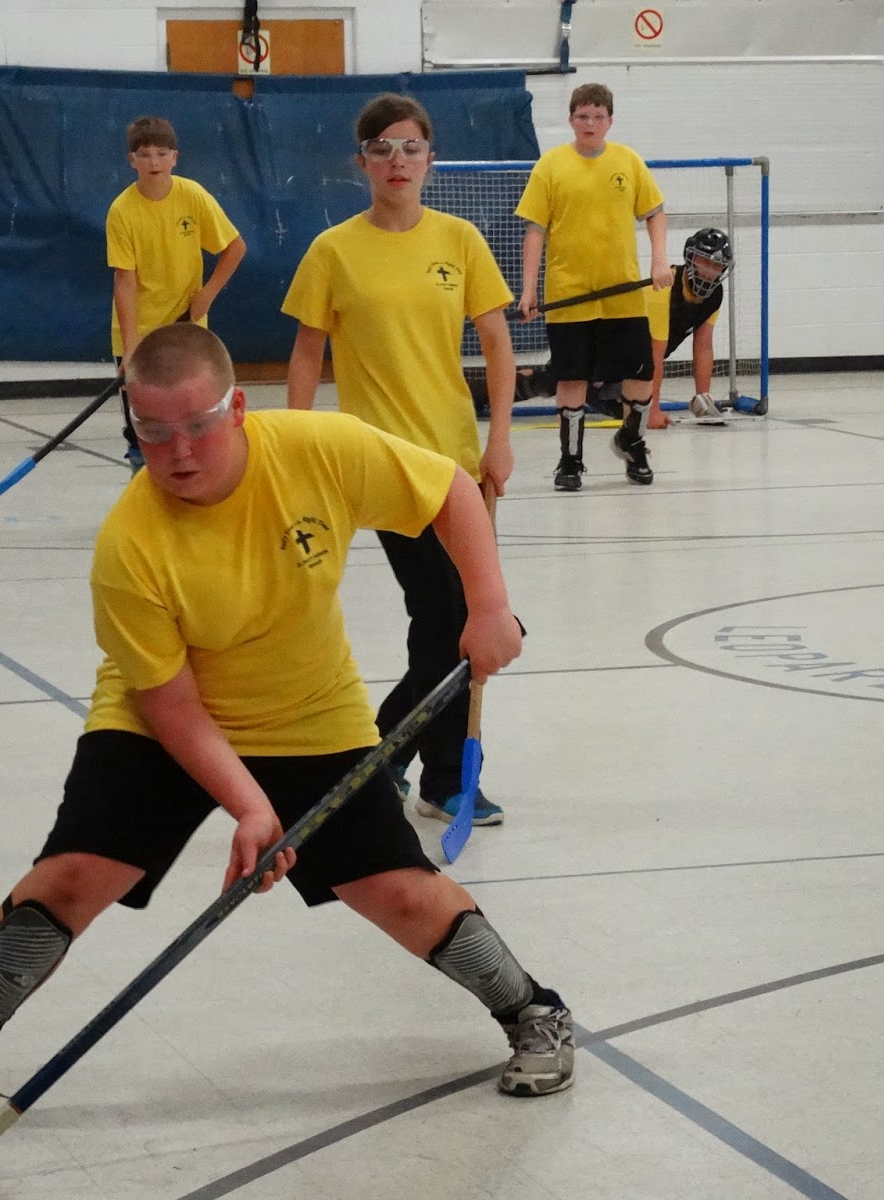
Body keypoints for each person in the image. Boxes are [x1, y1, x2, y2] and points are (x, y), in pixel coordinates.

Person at [0, 324, 574, 1154]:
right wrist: (251, 809)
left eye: (197, 426)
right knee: (75, 874)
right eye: (153, 433)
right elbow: (172, 706)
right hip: (161, 720)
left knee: (396, 889)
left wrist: (488, 604)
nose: (177, 452)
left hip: (309, 711)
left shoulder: (320, 448)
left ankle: (535, 1009)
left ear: (238, 408)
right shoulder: (129, 545)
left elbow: (447, 494)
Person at [282, 94, 516, 829]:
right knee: (447, 614)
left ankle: (386, 761)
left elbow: (498, 342)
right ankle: (433, 775)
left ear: (430, 159)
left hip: (457, 465)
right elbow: (307, 351)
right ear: (362, 163)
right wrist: (295, 443)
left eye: (411, 148)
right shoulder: (334, 250)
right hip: (379, 465)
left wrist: (500, 436)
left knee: (461, 621)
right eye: (382, 149)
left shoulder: (461, 240)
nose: (397, 161)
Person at [515, 82, 671, 491]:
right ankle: (570, 461)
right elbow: (534, 231)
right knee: (572, 379)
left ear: (609, 122)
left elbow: (655, 213)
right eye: (582, 116)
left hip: (622, 295)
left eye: (598, 117)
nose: (590, 123)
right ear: (571, 120)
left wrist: (658, 260)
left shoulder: (628, 162)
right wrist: (529, 290)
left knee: (641, 374)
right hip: (569, 295)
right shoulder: (550, 166)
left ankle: (632, 441)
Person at [107, 116, 246, 470]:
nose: (153, 162)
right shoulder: (122, 211)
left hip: (187, 331)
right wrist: (131, 343)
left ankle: (202, 489)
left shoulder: (193, 196)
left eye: (160, 153)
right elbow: (124, 281)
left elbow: (234, 247)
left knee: (195, 416)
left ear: (174, 157)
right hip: (141, 332)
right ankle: (147, 494)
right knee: (144, 427)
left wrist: (208, 294)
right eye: (144, 154)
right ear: (131, 160)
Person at [490, 228, 735, 429]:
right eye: (704, 262)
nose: (709, 272)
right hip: (604, 349)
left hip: (628, 365)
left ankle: (597, 393)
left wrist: (704, 400)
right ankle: (480, 394)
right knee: (552, 380)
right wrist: (654, 410)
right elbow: (655, 355)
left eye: (716, 267)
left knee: (622, 407)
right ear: (690, 259)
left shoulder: (714, 295)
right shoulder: (665, 290)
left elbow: (703, 345)